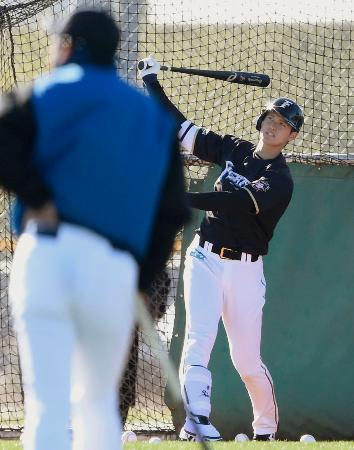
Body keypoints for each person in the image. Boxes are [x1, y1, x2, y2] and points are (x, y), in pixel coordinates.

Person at [0, 11, 189, 450]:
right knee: (97, 405)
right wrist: (143, 280)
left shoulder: (42, 92)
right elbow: (174, 210)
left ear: (69, 44)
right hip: (113, 269)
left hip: (46, 257)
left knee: (47, 407)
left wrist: (38, 195)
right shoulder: (152, 117)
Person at [138, 55, 304, 442]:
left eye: (283, 124)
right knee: (199, 336)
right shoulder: (235, 149)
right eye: (270, 118)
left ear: (292, 135)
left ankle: (265, 429)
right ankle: (197, 420)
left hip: (246, 269)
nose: (273, 125)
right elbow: (183, 130)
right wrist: (151, 83)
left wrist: (181, 198)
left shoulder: (280, 179)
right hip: (205, 256)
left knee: (246, 361)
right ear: (260, 121)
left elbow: (235, 202)